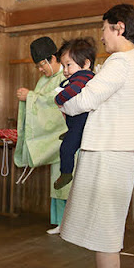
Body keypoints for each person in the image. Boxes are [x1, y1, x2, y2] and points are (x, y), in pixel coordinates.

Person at [58, 4, 134, 268]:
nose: (102, 36)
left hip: (109, 154)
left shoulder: (120, 61)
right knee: (105, 231)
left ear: (119, 28)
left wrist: (62, 102)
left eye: (104, 28)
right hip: (115, 152)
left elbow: (83, 101)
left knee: (106, 234)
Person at [14, 36, 71, 235]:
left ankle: (70, 224)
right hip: (54, 141)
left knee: (67, 180)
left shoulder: (65, 76)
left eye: (41, 65)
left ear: (52, 59)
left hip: (67, 138)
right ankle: (59, 222)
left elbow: (54, 103)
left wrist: (29, 96)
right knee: (57, 181)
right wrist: (30, 96)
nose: (40, 70)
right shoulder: (44, 80)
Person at [53, 38, 96, 189]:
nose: (65, 70)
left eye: (69, 65)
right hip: (77, 123)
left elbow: (73, 90)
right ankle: (70, 132)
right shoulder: (85, 76)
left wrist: (59, 98)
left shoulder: (82, 77)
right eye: (63, 65)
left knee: (66, 149)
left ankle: (66, 173)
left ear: (85, 63)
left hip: (80, 124)